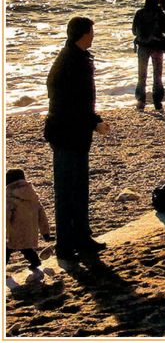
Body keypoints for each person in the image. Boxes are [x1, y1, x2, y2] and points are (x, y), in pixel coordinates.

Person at [44, 16, 110, 261]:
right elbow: (73, 103)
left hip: (73, 132)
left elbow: (78, 101)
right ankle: (65, 245)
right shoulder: (72, 62)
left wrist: (93, 120)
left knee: (79, 188)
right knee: (67, 190)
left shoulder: (74, 58)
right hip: (66, 133)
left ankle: (81, 238)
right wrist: (95, 122)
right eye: (91, 32)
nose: (93, 36)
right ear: (83, 34)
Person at [6, 169, 51, 270]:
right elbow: (42, 216)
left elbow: (6, 216)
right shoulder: (33, 196)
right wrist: (45, 233)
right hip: (29, 231)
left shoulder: (9, 197)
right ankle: (35, 261)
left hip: (13, 231)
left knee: (6, 250)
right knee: (26, 248)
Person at [132, 0, 165, 111]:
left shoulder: (139, 13)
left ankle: (141, 101)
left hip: (142, 47)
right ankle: (157, 102)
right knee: (157, 76)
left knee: (142, 76)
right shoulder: (159, 13)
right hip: (157, 46)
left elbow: (134, 31)